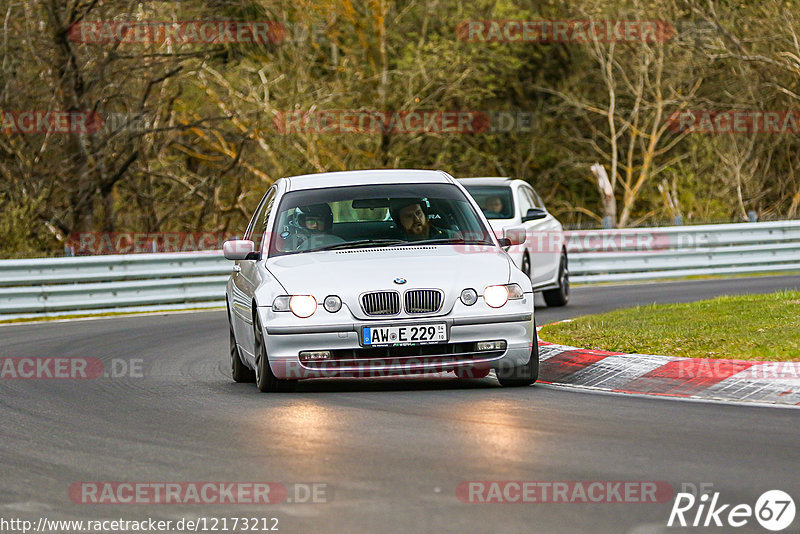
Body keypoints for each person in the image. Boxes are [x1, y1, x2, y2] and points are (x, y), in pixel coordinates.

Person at [390, 198, 456, 241]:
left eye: (418, 213)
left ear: (424, 214)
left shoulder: (449, 237)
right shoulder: (391, 241)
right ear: (399, 221)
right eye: (409, 216)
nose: (416, 218)